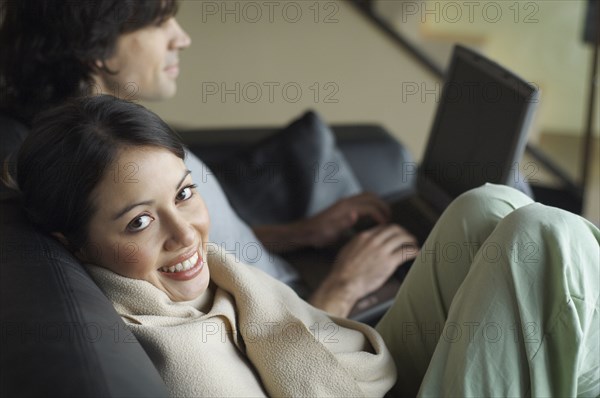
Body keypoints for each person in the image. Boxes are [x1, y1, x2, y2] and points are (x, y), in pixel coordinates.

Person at [8, 95, 599, 396]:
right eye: (139, 222)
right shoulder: (169, 350)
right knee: (544, 236)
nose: (186, 234)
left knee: (487, 205)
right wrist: (341, 287)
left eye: (184, 194)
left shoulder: (205, 279)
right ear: (76, 244)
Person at [0, 0, 418, 317]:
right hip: (309, 315)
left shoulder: (125, 136)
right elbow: (264, 353)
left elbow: (195, 242)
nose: (182, 38)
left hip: (296, 286)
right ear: (101, 50)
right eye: (160, 22)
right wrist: (344, 286)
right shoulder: (92, 170)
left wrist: (299, 233)